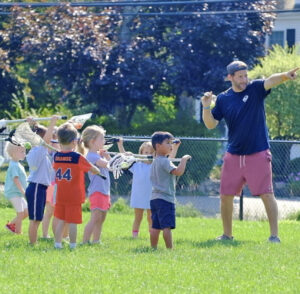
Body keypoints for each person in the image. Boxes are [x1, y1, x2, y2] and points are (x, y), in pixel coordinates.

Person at [201, 60, 299, 243]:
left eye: (246, 75)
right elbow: (210, 124)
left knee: (267, 194)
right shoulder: (223, 99)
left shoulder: (254, 89)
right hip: (234, 155)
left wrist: (285, 75)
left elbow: (270, 80)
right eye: (240, 76)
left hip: (258, 152)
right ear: (230, 77)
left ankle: (274, 236)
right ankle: (227, 235)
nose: (244, 79)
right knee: (225, 196)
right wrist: (206, 106)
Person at [53, 123, 101, 249]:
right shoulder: (77, 157)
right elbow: (93, 168)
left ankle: (57, 244)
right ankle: (73, 245)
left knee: (61, 220)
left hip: (60, 195)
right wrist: (97, 170)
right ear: (74, 141)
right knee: (73, 221)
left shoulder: (56, 156)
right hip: (73, 196)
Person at [150, 131, 191, 249]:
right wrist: (183, 160)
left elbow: (169, 160)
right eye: (168, 143)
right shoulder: (164, 161)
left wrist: (175, 147)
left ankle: (153, 248)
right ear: (158, 146)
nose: (170, 145)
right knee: (166, 227)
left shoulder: (156, 160)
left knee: (155, 227)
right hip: (165, 199)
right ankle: (170, 250)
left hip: (154, 199)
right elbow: (178, 171)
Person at [25, 116, 59, 245]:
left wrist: (33, 123)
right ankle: (33, 243)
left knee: (37, 218)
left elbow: (39, 134)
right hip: (36, 187)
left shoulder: (39, 151)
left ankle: (33, 242)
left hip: (40, 188)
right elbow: (45, 138)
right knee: (35, 219)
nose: (49, 142)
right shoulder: (38, 150)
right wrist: (52, 123)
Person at [81, 125, 111, 245]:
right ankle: (85, 241)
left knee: (101, 218)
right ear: (93, 142)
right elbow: (108, 165)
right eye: (102, 139)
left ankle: (96, 240)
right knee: (95, 218)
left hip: (104, 190)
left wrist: (106, 156)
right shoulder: (92, 156)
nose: (104, 141)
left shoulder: (98, 155)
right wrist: (110, 158)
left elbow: (108, 165)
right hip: (97, 191)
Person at [4, 142, 28, 234]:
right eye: (22, 152)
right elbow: (16, 179)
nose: (24, 154)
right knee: (20, 213)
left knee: (27, 212)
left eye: (24, 152)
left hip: (19, 193)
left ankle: (11, 225)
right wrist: (23, 191)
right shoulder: (13, 165)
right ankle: (18, 233)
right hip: (14, 192)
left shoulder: (18, 164)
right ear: (13, 153)